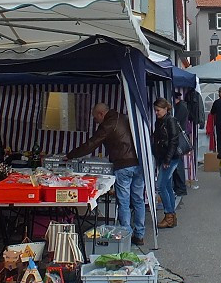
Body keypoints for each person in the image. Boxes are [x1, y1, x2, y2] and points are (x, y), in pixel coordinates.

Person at [66, 103, 145, 245]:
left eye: (95, 118)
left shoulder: (109, 124)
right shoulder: (124, 117)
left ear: (101, 114)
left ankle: (125, 235)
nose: (96, 121)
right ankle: (139, 235)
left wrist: (71, 155)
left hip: (123, 165)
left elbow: (92, 143)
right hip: (139, 163)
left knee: (124, 201)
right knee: (138, 199)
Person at [151, 98, 181, 229]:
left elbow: (174, 141)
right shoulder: (161, 120)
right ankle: (171, 217)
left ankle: (169, 214)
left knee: (161, 185)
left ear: (165, 109)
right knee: (167, 186)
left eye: (158, 110)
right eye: (155, 110)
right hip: (165, 157)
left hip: (170, 158)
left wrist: (168, 159)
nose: (156, 112)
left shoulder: (170, 120)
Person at [172, 91, 190, 196]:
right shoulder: (183, 107)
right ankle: (180, 187)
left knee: (178, 163)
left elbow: (175, 122)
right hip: (179, 137)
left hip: (177, 138)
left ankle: (181, 187)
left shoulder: (180, 108)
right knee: (178, 162)